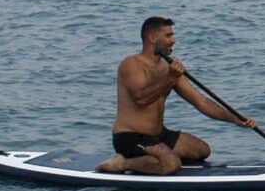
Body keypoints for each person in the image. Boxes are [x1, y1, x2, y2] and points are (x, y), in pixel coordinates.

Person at [106, 16, 255, 175]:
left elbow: (201, 102)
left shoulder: (168, 69)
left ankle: (156, 158)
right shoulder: (132, 64)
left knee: (202, 150)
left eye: (172, 35)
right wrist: (170, 78)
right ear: (152, 37)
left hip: (159, 135)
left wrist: (234, 119)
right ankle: (122, 163)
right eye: (168, 36)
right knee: (171, 165)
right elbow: (141, 99)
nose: (173, 40)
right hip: (131, 138)